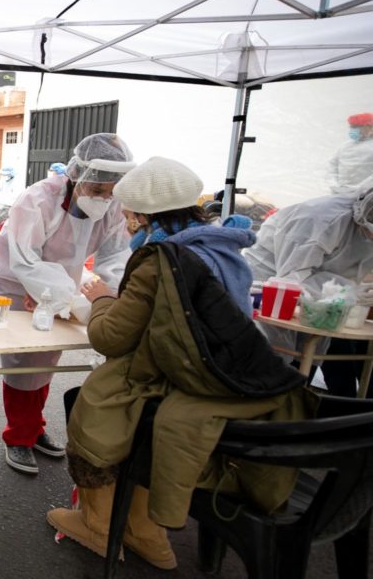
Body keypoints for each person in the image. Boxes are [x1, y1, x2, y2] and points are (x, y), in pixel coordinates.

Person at [48, 157, 309, 570]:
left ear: (141, 215)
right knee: (138, 414)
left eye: (128, 215)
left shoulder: (160, 259)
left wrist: (102, 300)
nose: (127, 224)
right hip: (226, 383)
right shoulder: (224, 248)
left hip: (180, 380)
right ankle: (148, 533)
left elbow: (110, 338)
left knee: (93, 400)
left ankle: (98, 524)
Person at [0, 133, 135, 475]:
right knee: (24, 357)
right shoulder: (38, 200)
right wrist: (64, 298)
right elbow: (26, 259)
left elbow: (115, 258)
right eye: (97, 190)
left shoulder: (112, 208)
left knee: (47, 358)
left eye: (110, 192)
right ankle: (18, 435)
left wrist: (109, 297)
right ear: (77, 175)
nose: (104, 199)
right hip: (15, 279)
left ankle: (33, 427)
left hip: (61, 280)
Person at [244, 180, 373, 397]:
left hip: (320, 292)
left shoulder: (361, 229)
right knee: (281, 357)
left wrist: (351, 291)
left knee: (315, 352)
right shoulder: (320, 219)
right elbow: (291, 279)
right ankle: (282, 401)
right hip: (272, 284)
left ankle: (309, 400)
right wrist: (348, 291)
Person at [327, 112, 373, 195]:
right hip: (341, 192)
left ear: (369, 127)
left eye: (356, 127)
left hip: (367, 194)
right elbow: (332, 165)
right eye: (351, 127)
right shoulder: (345, 146)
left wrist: (360, 188)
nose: (353, 130)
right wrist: (334, 184)